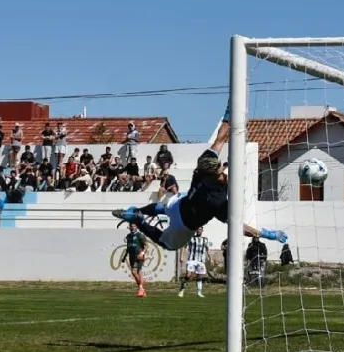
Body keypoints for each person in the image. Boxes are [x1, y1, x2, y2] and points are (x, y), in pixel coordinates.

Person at [112, 107, 288, 252]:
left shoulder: (203, 165)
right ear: (217, 174)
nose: (224, 169)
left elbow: (220, 138)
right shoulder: (218, 201)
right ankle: (139, 220)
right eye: (222, 169)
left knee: (165, 207)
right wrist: (267, 235)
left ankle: (137, 211)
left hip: (179, 204)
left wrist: (229, 113)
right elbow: (239, 228)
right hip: (184, 225)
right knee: (167, 244)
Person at [178, 227, 210, 298]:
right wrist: (181, 257)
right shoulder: (190, 238)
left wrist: (209, 257)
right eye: (197, 229)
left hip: (200, 261)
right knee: (188, 275)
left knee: (200, 277)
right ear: (195, 230)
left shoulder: (205, 239)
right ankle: (182, 290)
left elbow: (207, 249)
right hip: (191, 260)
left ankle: (199, 292)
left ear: (202, 230)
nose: (199, 231)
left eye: (200, 229)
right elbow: (184, 247)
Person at [124, 222, 147, 298]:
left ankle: (141, 288)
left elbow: (146, 245)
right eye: (131, 226)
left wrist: (142, 253)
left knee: (134, 272)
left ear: (137, 227)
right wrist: (124, 256)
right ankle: (142, 291)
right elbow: (128, 247)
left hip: (138, 257)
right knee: (139, 273)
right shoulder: (128, 236)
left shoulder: (139, 235)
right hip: (131, 257)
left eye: (134, 226)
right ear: (129, 227)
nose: (133, 227)